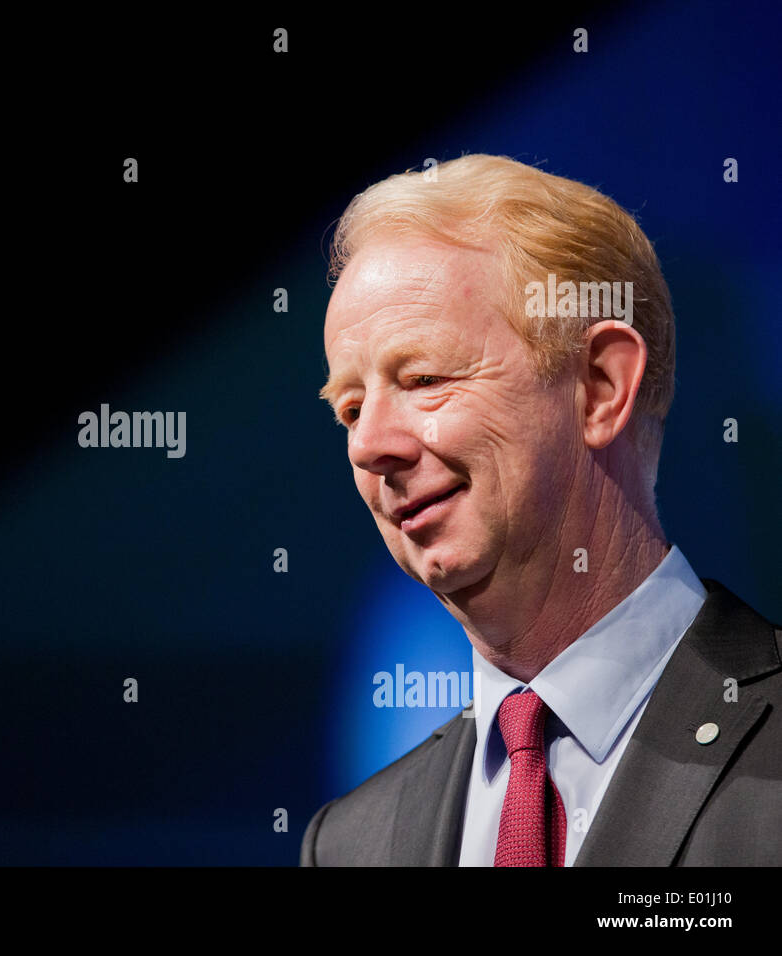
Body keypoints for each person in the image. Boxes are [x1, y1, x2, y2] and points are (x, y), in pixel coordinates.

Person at [302, 154, 780, 866]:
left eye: (425, 378)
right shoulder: (347, 845)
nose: (369, 445)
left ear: (599, 387)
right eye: (349, 409)